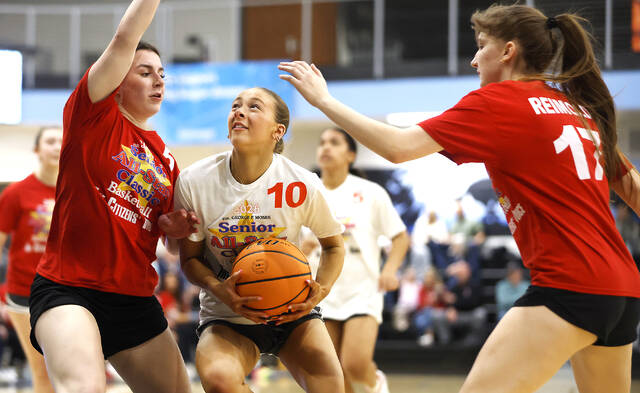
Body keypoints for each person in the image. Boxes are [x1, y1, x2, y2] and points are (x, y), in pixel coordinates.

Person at [279, 4, 640, 392]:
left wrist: (324, 102)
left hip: (569, 286)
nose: (473, 59)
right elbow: (633, 187)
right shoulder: (578, 109)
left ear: (508, 52)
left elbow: (399, 147)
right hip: (622, 289)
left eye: (482, 45)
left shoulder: (499, 101)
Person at [28, 1, 198, 392]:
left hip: (133, 299)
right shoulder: (93, 114)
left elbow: (172, 246)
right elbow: (125, 37)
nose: (158, 81)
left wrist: (172, 229)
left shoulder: (167, 162)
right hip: (68, 289)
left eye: (162, 74)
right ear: (119, 78)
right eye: (144, 72)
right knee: (85, 387)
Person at [176, 87, 346, 393]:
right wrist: (219, 289)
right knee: (219, 381)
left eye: (254, 107)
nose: (239, 111)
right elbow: (189, 259)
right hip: (227, 315)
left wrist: (319, 291)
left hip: (292, 313)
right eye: (235, 106)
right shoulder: (195, 180)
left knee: (333, 386)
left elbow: (333, 245)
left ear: (277, 131)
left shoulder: (301, 182)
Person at [303, 126, 409, 393]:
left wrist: (390, 270)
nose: (326, 147)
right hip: (321, 292)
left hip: (362, 290)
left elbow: (400, 237)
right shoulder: (306, 193)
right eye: (323, 142)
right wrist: (301, 250)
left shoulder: (370, 192)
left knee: (355, 363)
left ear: (351, 155)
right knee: (333, 373)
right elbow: (291, 246)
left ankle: (377, 384)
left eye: (335, 143)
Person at [0, 126, 62, 393]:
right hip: (24, 293)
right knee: (44, 373)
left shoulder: (77, 192)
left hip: (67, 292)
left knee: (75, 373)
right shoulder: (16, 193)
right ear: (37, 150)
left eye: (62, 141)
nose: (57, 146)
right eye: (50, 141)